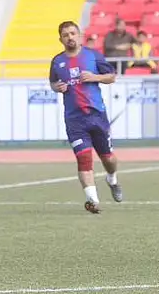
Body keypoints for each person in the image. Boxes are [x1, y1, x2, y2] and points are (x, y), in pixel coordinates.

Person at [48, 21, 124, 214]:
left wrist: (95, 77)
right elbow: (53, 83)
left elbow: (112, 76)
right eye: (66, 35)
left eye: (73, 33)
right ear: (60, 39)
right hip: (75, 120)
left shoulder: (92, 56)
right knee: (84, 159)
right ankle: (93, 200)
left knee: (108, 158)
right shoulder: (57, 62)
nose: (70, 37)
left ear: (79, 36)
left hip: (97, 115)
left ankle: (112, 178)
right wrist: (57, 87)